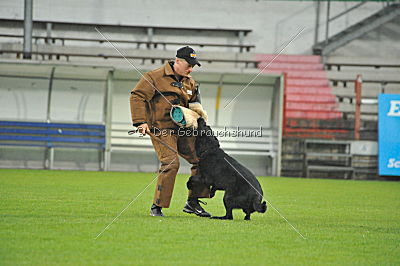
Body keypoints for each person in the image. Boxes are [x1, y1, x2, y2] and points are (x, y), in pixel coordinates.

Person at [130, 46, 211, 217]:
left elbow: (195, 106)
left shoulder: (191, 82)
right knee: (171, 163)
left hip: (184, 130)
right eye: (188, 65)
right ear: (178, 61)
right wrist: (141, 122)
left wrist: (201, 122)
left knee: (203, 160)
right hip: (162, 129)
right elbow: (137, 96)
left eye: (193, 66)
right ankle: (157, 206)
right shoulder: (154, 77)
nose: (190, 69)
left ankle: (193, 202)